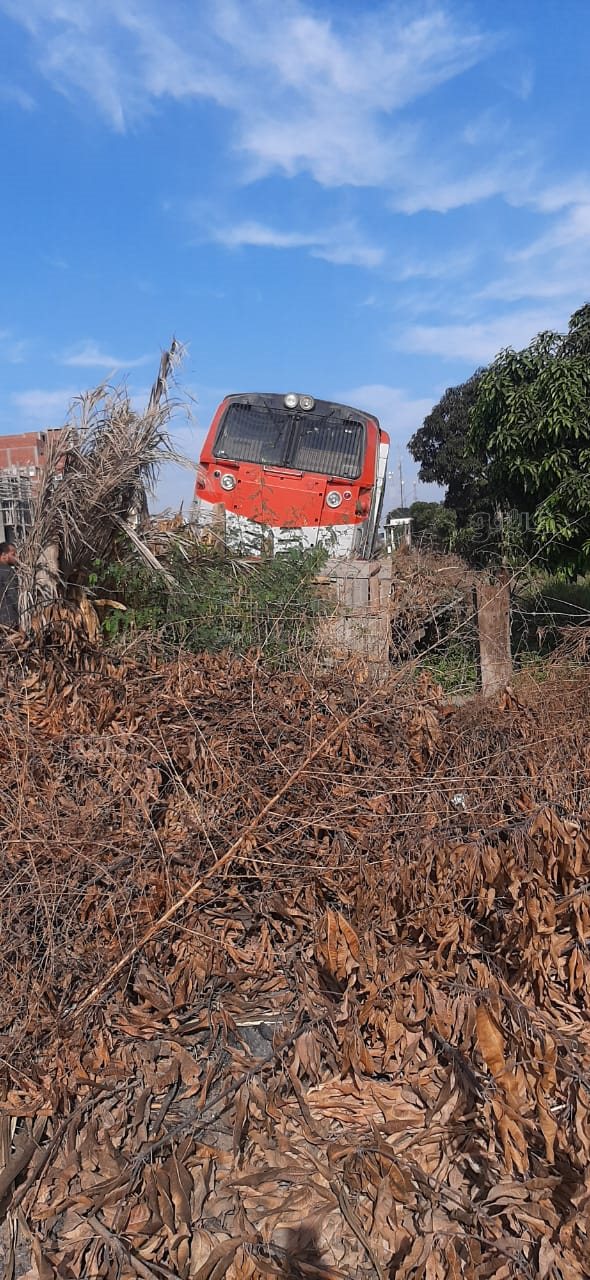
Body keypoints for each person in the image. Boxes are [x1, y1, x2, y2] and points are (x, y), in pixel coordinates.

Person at [0, 542, 19, 628]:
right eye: (13, 554)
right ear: (4, 555)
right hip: (9, 620)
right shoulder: (7, 571)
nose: (16, 557)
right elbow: (13, 595)